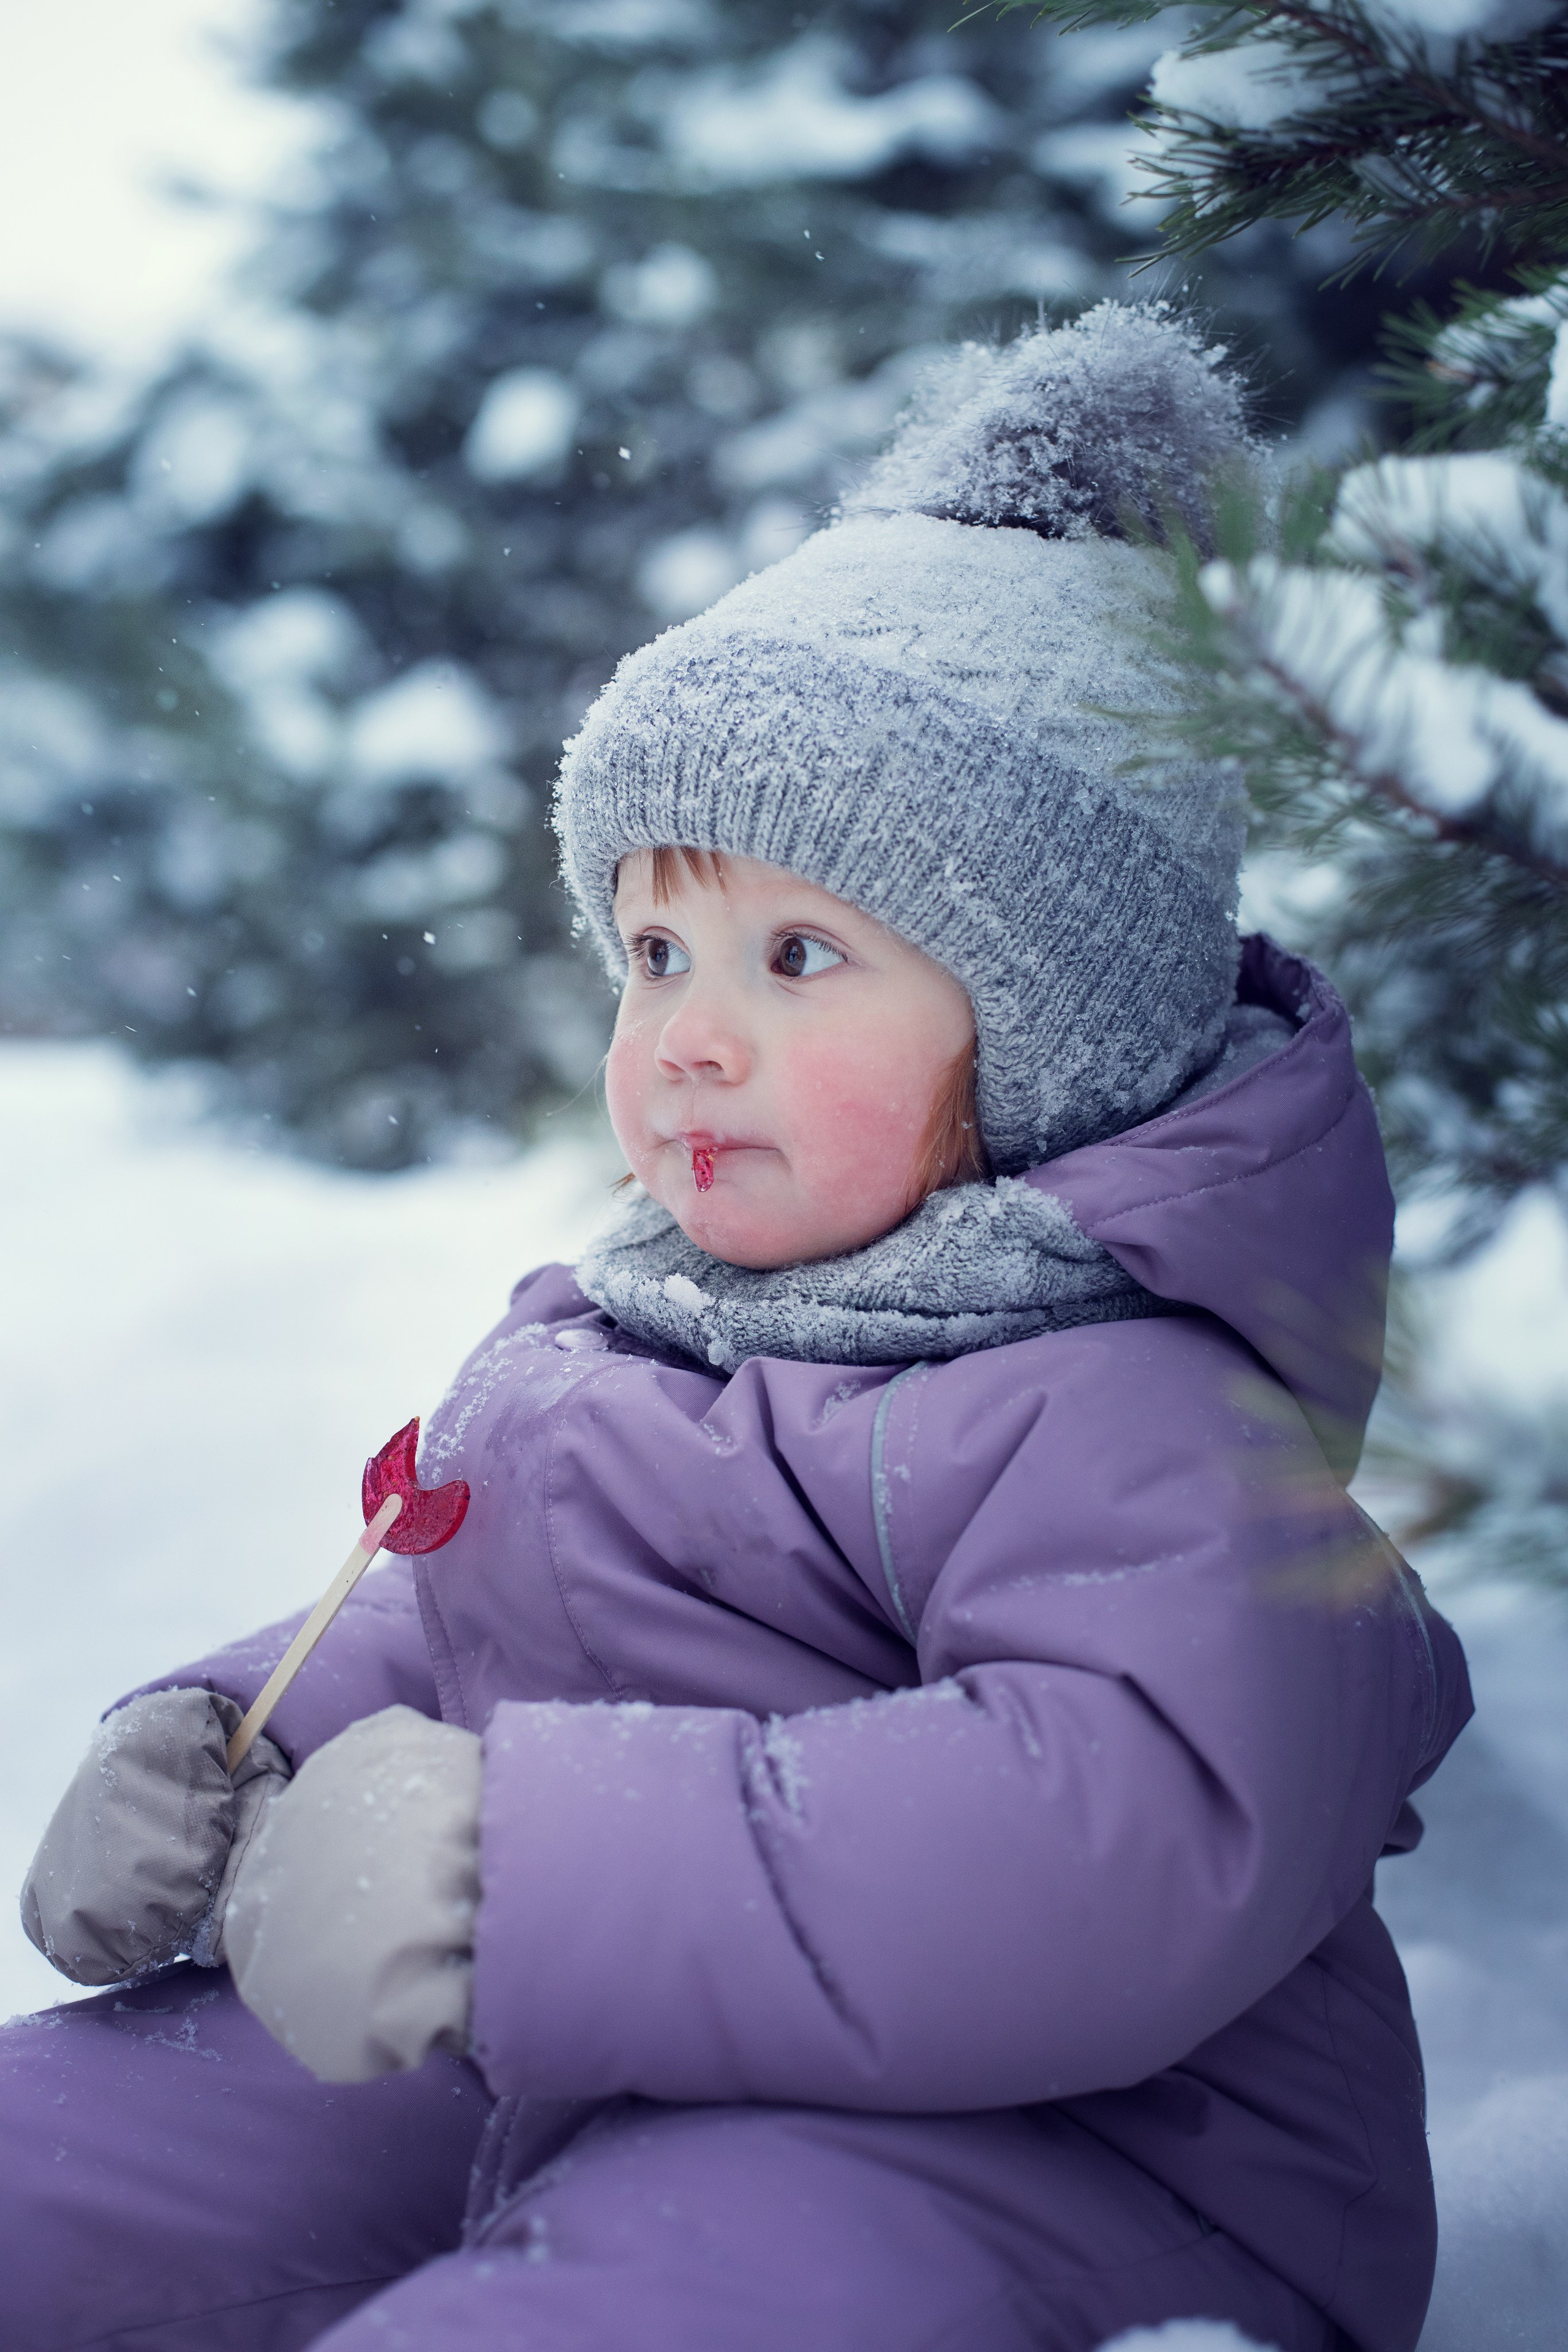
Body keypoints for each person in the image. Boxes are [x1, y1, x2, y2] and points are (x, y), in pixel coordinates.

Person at [3, 304, 1470, 2352]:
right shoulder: (639, 1344)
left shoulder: (1136, 1403)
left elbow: (1134, 1819)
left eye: (796, 956)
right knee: (56, 2176)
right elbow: (491, 1631)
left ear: (1045, 1030)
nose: (687, 1034)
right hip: (590, 2038)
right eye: (655, 948)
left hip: (1060, 2156)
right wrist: (239, 1743)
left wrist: (517, 1876)